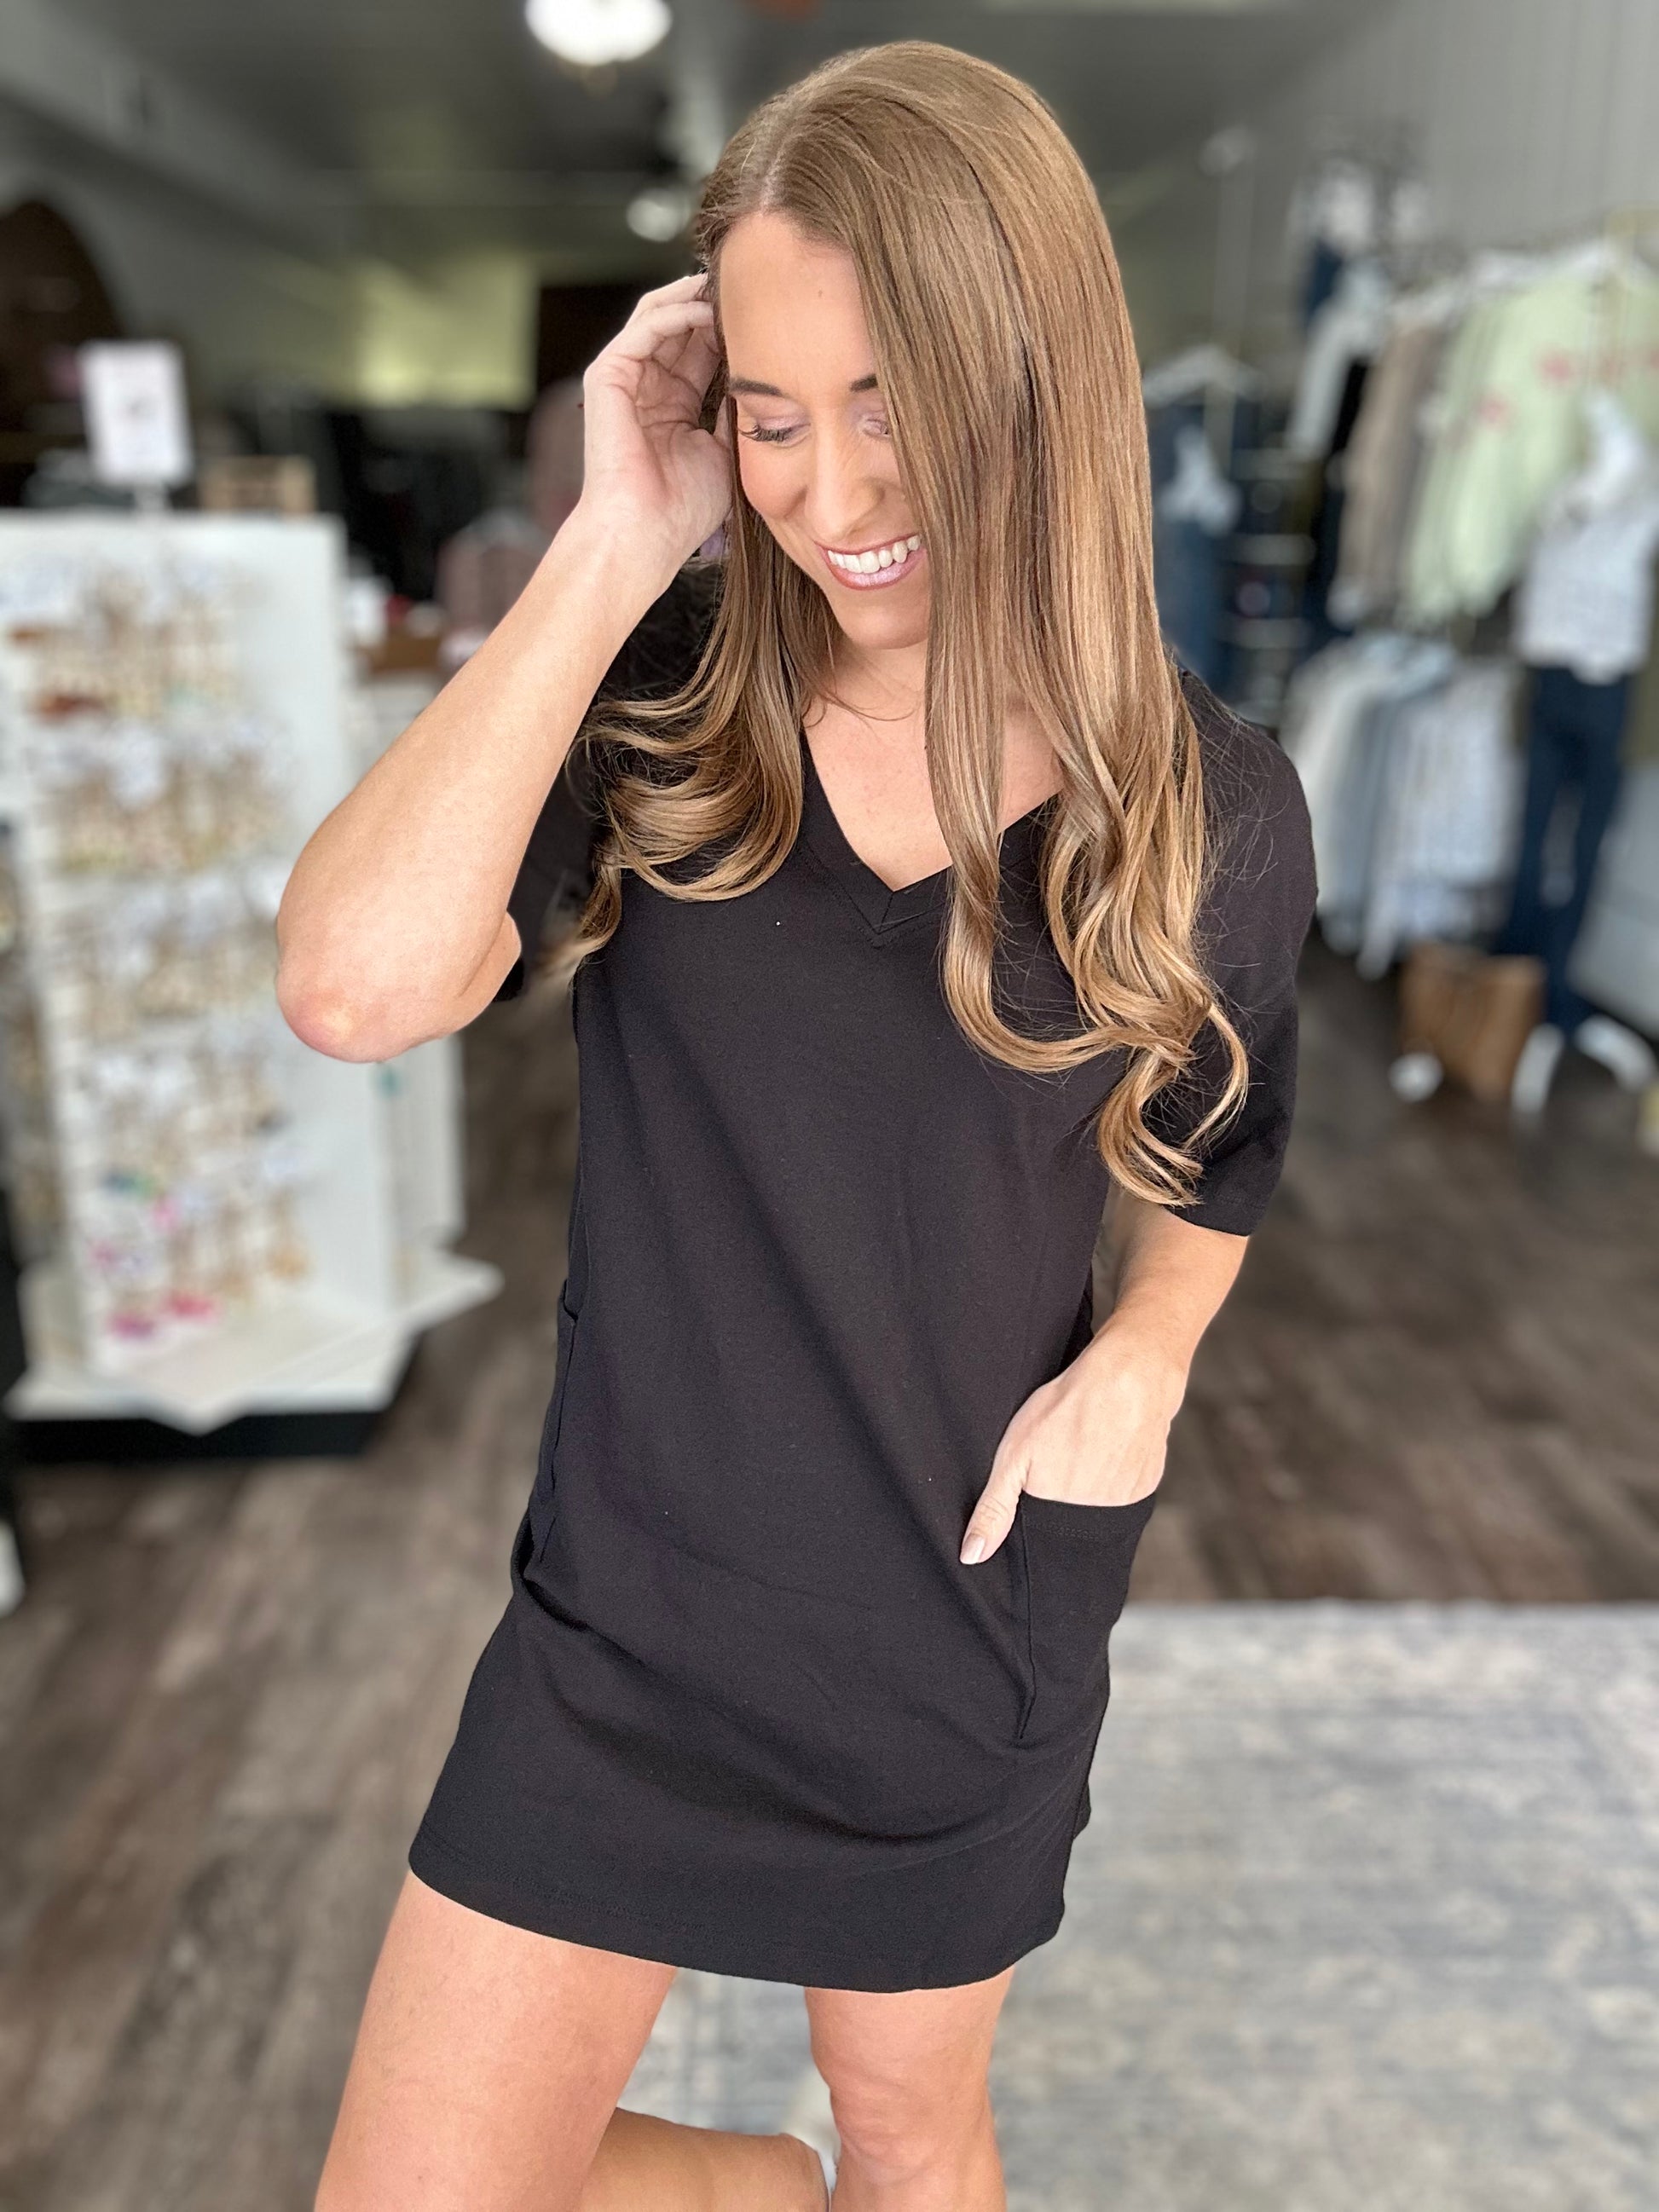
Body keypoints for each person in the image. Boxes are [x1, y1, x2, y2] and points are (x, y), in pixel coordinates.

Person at [276, 40, 1315, 2212]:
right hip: (630, 1620)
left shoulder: (1205, 801)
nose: (834, 493)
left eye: (889, 399)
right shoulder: (655, 700)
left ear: (1033, 369)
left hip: (957, 1608)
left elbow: (1214, 1152)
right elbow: (356, 987)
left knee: (914, 2144)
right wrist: (607, 542)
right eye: (771, 414)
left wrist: (1142, 1359)